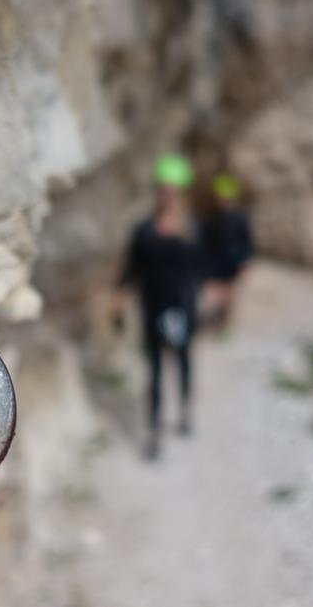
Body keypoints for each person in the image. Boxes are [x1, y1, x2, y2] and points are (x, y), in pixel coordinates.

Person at [116, 153, 204, 461]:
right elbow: (132, 266)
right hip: (152, 306)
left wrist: (208, 299)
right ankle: (154, 432)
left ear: (181, 193)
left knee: (181, 361)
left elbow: (201, 269)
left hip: (182, 307)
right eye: (163, 189)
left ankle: (185, 410)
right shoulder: (144, 230)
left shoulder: (190, 230)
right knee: (154, 371)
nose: (167, 196)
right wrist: (121, 296)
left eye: (173, 191)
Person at [201, 172, 253, 332]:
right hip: (216, 263)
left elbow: (247, 241)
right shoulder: (213, 218)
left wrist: (245, 260)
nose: (222, 201)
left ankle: (225, 326)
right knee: (213, 295)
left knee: (230, 297)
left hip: (234, 262)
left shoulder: (240, 218)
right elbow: (207, 242)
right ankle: (216, 323)